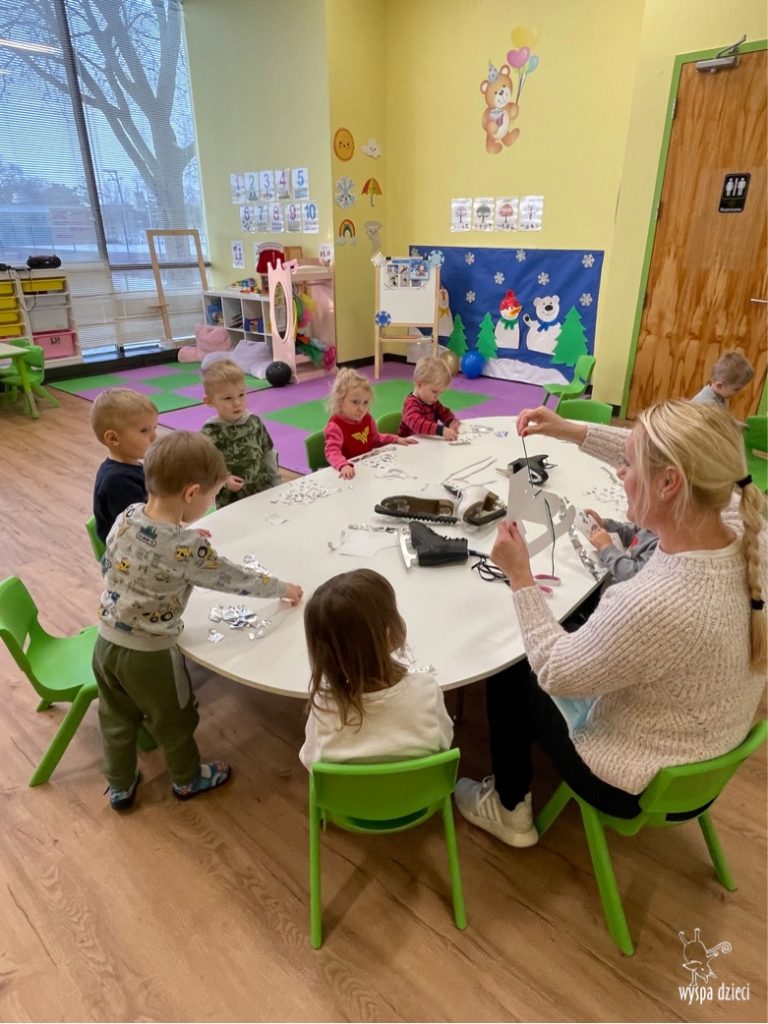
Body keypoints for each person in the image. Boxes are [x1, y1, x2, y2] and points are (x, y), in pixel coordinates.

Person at [455, 401, 766, 848]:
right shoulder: (746, 521)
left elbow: (554, 671)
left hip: (630, 779)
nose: (621, 473)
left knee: (514, 666)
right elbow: (672, 456)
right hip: (708, 750)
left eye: (629, 465)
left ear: (669, 483)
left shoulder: (654, 601)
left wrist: (520, 576)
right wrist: (569, 430)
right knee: (572, 619)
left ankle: (508, 808)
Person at [93, 431, 303, 810]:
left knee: (116, 718)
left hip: (105, 643)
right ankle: (187, 780)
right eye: (211, 496)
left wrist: (180, 536)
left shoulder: (128, 516)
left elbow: (121, 560)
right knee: (175, 719)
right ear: (191, 493)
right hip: (151, 656)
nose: (210, 504)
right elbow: (233, 578)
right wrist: (281, 588)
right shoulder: (187, 548)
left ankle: (120, 785)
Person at [299, 568, 453, 767]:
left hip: (348, 790)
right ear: (388, 635)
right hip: (423, 788)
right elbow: (444, 743)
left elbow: (311, 761)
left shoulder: (323, 707)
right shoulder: (426, 689)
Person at [201, 359, 280, 508]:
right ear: (209, 401)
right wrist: (224, 480)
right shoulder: (209, 432)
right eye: (228, 398)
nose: (237, 403)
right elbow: (205, 468)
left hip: (262, 492)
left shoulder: (254, 422)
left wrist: (276, 480)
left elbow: (268, 452)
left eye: (242, 395)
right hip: (230, 501)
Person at [91, 388, 158, 543]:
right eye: (144, 430)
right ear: (113, 438)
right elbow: (140, 531)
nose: (154, 437)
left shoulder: (131, 466)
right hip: (129, 550)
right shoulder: (118, 481)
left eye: (154, 428)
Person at [323, 368, 416, 480]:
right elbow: (332, 451)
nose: (361, 408)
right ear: (340, 400)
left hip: (366, 471)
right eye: (355, 402)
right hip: (349, 476)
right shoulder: (335, 426)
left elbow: (375, 439)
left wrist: (395, 439)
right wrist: (343, 465)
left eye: (365, 402)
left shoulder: (367, 419)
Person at [582, 508, 658, 583]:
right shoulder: (652, 525)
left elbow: (632, 575)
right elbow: (630, 531)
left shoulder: (660, 548)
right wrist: (604, 524)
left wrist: (606, 548)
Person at [398, 355, 461, 440]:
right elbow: (417, 424)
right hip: (409, 444)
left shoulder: (431, 401)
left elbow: (443, 412)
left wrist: (451, 422)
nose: (436, 397)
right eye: (434, 392)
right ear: (419, 384)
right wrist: (441, 431)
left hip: (426, 442)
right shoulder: (410, 403)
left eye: (440, 393)